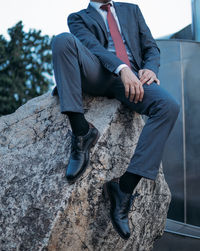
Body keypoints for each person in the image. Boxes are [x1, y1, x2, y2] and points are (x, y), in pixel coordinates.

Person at [51, 0, 180, 240]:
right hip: (99, 73)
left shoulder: (132, 10)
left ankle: (123, 188)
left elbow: (150, 47)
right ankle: (81, 132)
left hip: (134, 82)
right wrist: (122, 68)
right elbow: (92, 47)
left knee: (169, 106)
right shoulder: (78, 17)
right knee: (61, 40)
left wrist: (150, 69)